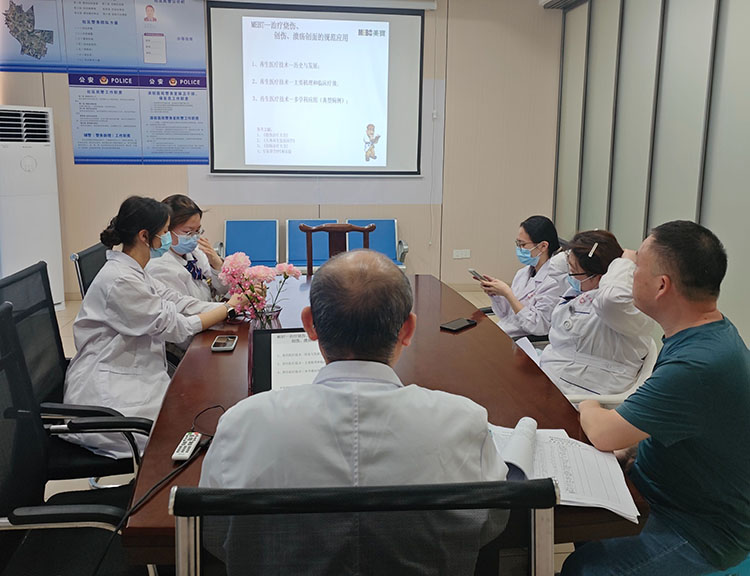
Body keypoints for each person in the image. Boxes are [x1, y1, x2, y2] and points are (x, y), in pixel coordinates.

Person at [200, 249, 508, 574]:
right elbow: (491, 523)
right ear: (408, 330)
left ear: (309, 325)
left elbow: (214, 533)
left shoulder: (242, 423)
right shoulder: (464, 421)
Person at [562, 221, 750, 575]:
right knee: (577, 522)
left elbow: (604, 433)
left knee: (583, 569)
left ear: (662, 286)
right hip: (659, 489)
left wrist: (588, 402)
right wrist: (630, 450)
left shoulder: (700, 363)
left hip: (697, 530)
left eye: (636, 269)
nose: (630, 275)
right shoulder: (699, 334)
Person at [63, 196, 243, 459]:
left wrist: (228, 306)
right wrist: (227, 309)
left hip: (138, 370)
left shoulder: (136, 270)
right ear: (144, 236)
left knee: (204, 421)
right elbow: (176, 327)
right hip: (111, 393)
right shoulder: (121, 280)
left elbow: (177, 302)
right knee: (191, 432)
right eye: (165, 232)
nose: (167, 239)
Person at [539, 229, 654, 397]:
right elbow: (555, 268)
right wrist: (584, 245)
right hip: (556, 375)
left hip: (580, 392)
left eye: (573, 270)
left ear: (599, 277)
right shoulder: (583, 286)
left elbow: (611, 299)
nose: (569, 275)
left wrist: (625, 261)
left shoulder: (621, 307)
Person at [476, 215, 568, 338]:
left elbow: (538, 327)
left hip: (522, 341)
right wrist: (496, 294)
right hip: (504, 332)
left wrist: (508, 294)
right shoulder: (523, 273)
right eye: (517, 243)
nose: (519, 249)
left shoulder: (555, 282)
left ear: (543, 246)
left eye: (523, 244)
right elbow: (505, 314)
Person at [146, 194, 227, 302]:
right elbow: (186, 307)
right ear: (167, 230)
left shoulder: (195, 253)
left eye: (197, 230)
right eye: (188, 232)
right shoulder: (159, 266)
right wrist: (227, 307)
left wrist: (216, 264)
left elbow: (223, 289)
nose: (194, 237)